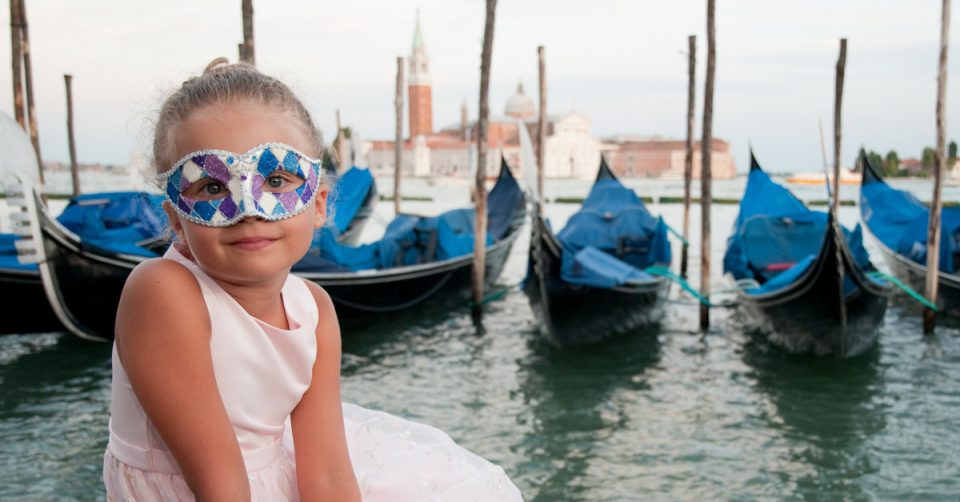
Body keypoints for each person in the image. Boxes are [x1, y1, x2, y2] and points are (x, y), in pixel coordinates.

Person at [103, 58, 523, 501]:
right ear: (176, 222)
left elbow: (326, 477)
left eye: (278, 179)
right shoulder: (163, 291)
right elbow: (220, 488)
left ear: (319, 204)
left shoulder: (315, 309)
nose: (250, 209)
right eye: (212, 188)